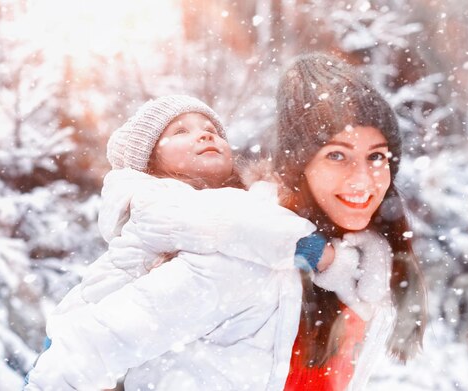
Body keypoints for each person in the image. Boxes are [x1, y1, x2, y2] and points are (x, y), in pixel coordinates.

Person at [24, 95, 323, 390]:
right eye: (181, 131)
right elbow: (228, 223)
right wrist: (303, 244)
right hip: (86, 344)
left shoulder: (237, 207)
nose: (206, 134)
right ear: (150, 162)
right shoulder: (158, 199)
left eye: (214, 130)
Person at [269, 52, 428, 390]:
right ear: (299, 166)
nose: (362, 180)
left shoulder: (371, 255)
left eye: (376, 156)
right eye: (336, 155)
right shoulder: (261, 249)